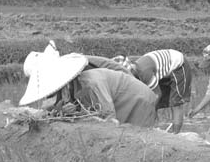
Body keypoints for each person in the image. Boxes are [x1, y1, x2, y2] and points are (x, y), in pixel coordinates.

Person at [20, 47, 157, 127]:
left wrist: (80, 114)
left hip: (138, 99)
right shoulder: (69, 85)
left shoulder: (91, 83)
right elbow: (58, 106)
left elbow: (108, 116)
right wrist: (66, 110)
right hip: (118, 97)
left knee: (138, 139)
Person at [123, 49, 193, 134]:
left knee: (175, 103)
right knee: (155, 103)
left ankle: (175, 135)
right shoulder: (136, 73)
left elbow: (156, 94)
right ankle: (151, 128)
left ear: (131, 71)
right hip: (164, 69)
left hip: (179, 65)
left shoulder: (144, 72)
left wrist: (147, 113)